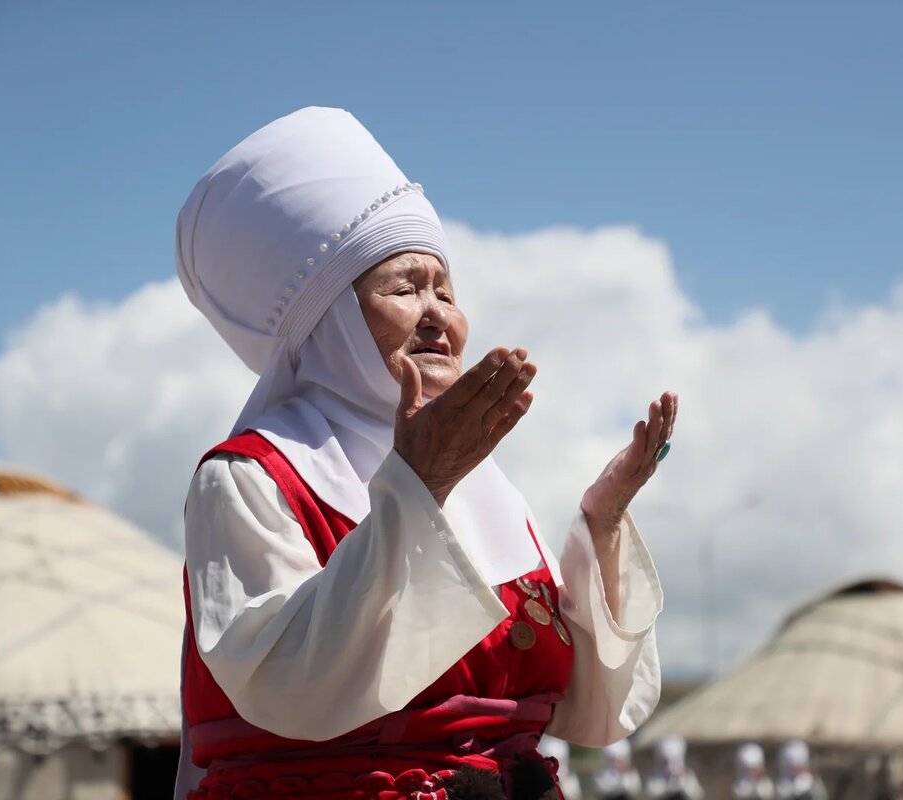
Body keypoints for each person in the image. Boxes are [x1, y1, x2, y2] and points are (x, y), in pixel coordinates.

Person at [173, 107, 676, 800]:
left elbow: (589, 714)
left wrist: (603, 523)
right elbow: (290, 684)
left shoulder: (488, 492)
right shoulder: (251, 478)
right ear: (330, 322)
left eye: (446, 290)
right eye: (405, 289)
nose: (439, 315)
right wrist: (419, 483)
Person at [646, 735, 704, 800]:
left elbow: (697, 794)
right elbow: (652, 792)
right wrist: (671, 785)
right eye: (666, 762)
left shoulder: (687, 776)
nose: (671, 766)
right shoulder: (657, 777)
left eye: (675, 762)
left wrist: (683, 783)